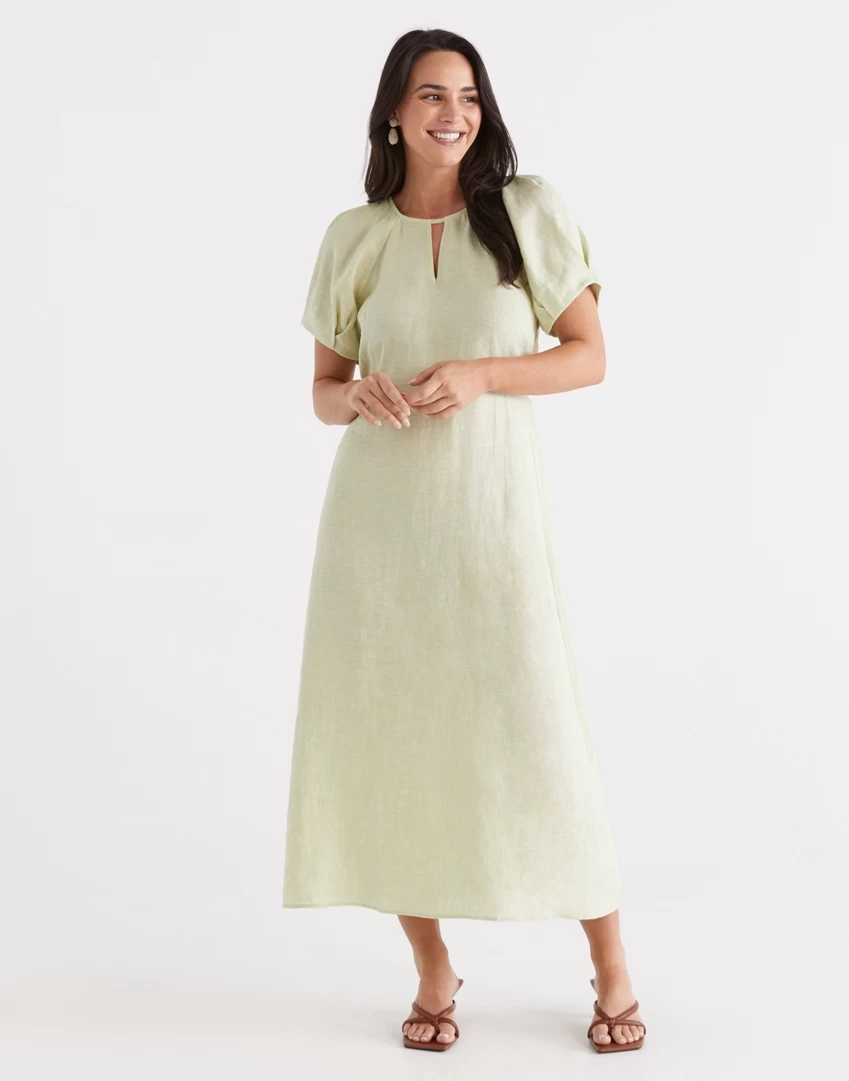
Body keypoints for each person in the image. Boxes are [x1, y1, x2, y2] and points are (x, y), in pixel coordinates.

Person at [283, 27, 647, 1054]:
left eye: (469, 96)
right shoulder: (353, 237)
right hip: (379, 531)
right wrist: (355, 395)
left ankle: (611, 963)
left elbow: (588, 356)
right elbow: (322, 392)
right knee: (396, 738)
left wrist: (484, 373)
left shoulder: (526, 212)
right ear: (393, 115)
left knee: (542, 730)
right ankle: (432, 967)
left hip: (493, 516)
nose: (454, 113)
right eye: (432, 94)